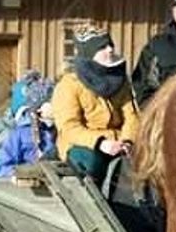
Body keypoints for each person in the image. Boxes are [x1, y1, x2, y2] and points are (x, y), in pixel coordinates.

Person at [52, 25, 139, 184]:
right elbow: (69, 127)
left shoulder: (121, 81)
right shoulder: (69, 85)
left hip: (118, 142)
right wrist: (101, 143)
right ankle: (92, 203)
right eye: (102, 47)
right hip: (81, 145)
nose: (110, 50)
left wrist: (127, 141)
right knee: (92, 162)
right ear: (89, 54)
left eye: (110, 44)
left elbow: (131, 117)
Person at [0, 79, 58, 177]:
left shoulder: (62, 129)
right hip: (28, 186)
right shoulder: (20, 133)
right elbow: (6, 166)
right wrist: (19, 174)